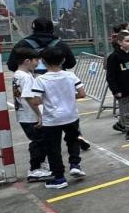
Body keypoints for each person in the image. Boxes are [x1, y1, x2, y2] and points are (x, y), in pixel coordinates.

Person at [32, 46, 88, 190]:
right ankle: (75, 164)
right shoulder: (70, 76)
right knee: (73, 140)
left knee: (53, 149)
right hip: (71, 116)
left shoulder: (41, 79)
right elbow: (82, 93)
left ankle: (59, 177)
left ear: (43, 62)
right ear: (63, 60)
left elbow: (36, 101)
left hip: (52, 119)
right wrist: (69, 96)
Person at [10, 46, 49, 181]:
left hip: (23, 115)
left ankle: (41, 164)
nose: (38, 63)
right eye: (36, 60)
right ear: (27, 61)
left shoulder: (17, 75)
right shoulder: (26, 77)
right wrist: (39, 115)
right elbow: (29, 97)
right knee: (39, 141)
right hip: (30, 116)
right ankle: (35, 169)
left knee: (40, 140)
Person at [6, 18, 76, 73]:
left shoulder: (22, 44)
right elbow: (71, 63)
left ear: (34, 28)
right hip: (56, 84)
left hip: (31, 84)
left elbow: (11, 65)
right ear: (52, 28)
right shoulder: (60, 44)